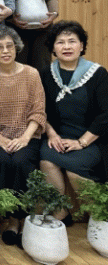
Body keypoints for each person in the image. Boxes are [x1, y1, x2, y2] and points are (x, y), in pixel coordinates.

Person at [0, 25, 46, 247]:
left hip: (27, 136)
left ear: (17, 47)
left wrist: (25, 138)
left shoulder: (31, 74)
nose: (5, 50)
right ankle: (8, 217)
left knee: (20, 161)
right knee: (0, 160)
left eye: (9, 46)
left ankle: (20, 219)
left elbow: (38, 111)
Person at [40, 20, 108, 224]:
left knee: (74, 170)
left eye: (72, 41)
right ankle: (60, 212)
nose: (67, 46)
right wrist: (51, 134)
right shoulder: (45, 74)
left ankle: (99, 215)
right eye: (60, 42)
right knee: (46, 160)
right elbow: (39, 110)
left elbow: (105, 114)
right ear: (53, 48)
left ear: (82, 45)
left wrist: (81, 142)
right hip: (58, 136)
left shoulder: (98, 74)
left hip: (92, 139)